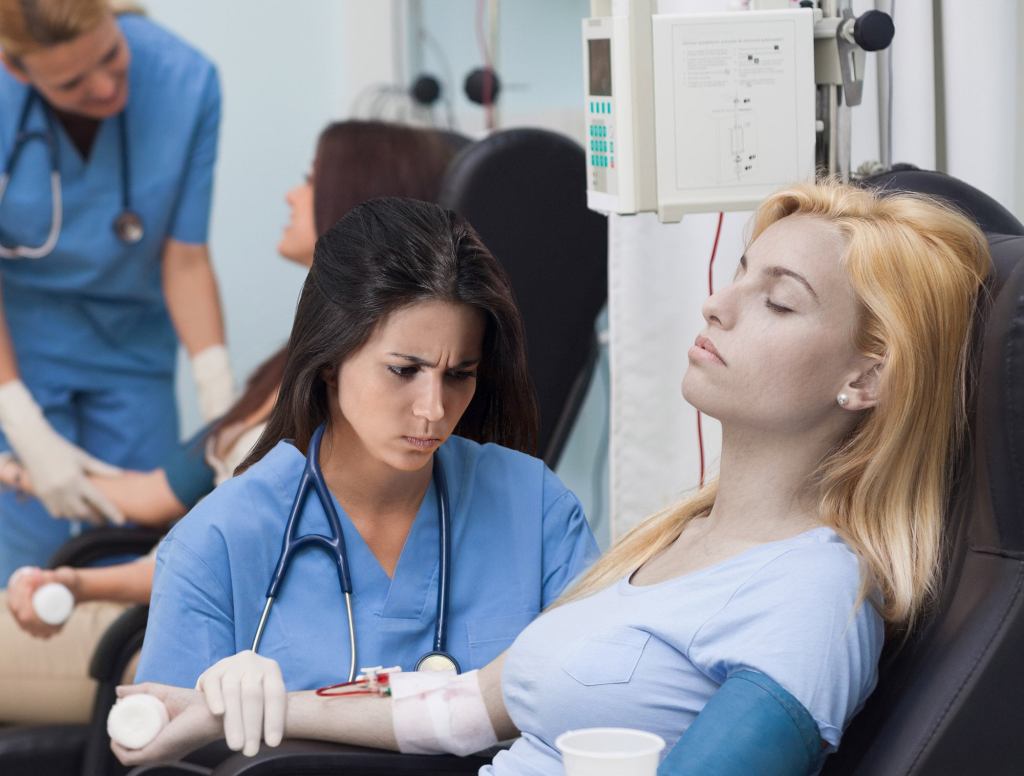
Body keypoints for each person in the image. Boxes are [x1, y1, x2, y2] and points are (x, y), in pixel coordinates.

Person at [113, 180, 990, 772]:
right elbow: (460, 711)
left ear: (866, 378)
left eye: (779, 298)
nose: (717, 304)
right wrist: (234, 709)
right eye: (737, 276)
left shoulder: (812, 596)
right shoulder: (670, 546)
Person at [0, 120, 463, 725]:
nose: (291, 196)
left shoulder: (359, 397)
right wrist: (26, 469)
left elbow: (251, 568)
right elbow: (155, 501)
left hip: (207, 640)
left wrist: (87, 586)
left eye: (308, 182)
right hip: (169, 608)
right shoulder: (291, 365)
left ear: (352, 210)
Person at [130, 195, 599, 717]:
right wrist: (208, 713)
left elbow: (597, 709)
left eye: (459, 374)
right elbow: (159, 751)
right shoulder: (219, 541)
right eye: (404, 370)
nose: (433, 409)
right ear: (330, 360)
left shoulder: (535, 510)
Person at [0, 0, 233, 579]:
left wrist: (222, 400)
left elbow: (185, 257)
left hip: (129, 347)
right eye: (73, 82)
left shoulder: (185, 79)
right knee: (19, 568)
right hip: (16, 350)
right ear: (18, 70)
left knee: (135, 554)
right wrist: (18, 417)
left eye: (112, 56)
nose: (106, 87)